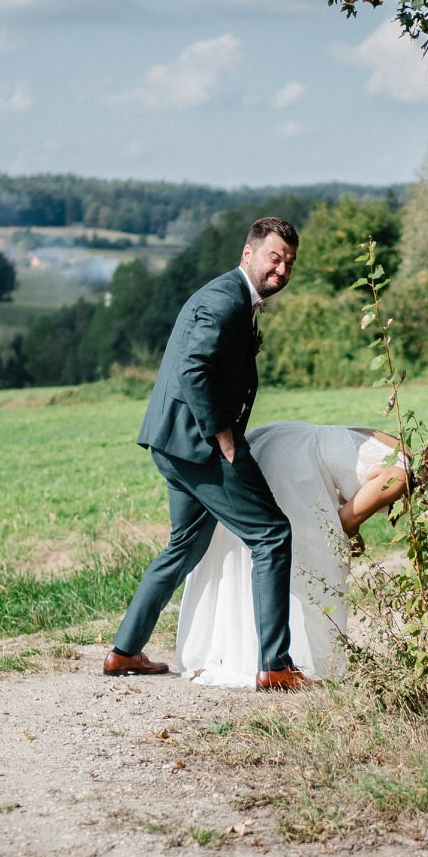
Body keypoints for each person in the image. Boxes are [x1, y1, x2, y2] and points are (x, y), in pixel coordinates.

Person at [103, 217, 313, 691]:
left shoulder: (236, 298)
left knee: (185, 545)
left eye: (289, 263)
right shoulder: (225, 300)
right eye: (274, 258)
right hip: (198, 445)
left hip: (172, 443)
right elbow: (193, 370)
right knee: (273, 535)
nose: (281, 270)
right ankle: (276, 667)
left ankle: (124, 651)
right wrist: (223, 436)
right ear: (248, 253)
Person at [175, 423, 428, 689]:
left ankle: (263, 647)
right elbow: (343, 522)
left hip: (290, 438)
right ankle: (295, 659)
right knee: (317, 559)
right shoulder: (398, 479)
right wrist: (352, 537)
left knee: (282, 550)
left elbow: (351, 474)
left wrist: (353, 531)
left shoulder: (401, 447)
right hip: (295, 467)